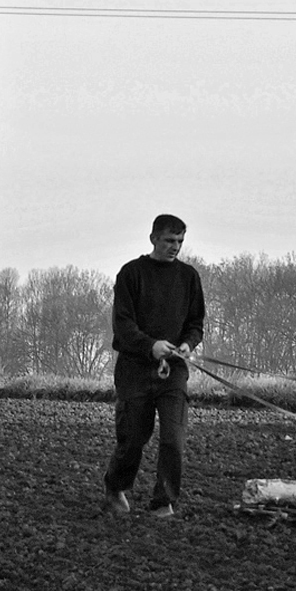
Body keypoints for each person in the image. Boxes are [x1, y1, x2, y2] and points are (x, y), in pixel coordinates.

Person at [103, 214, 206, 518]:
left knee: (173, 438)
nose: (175, 247)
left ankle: (164, 501)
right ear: (153, 239)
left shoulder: (189, 277)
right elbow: (123, 325)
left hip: (173, 372)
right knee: (133, 438)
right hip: (135, 371)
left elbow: (195, 323)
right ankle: (115, 487)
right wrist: (151, 346)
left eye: (180, 241)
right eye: (170, 241)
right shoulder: (131, 274)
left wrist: (187, 344)